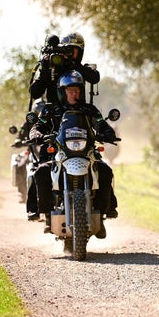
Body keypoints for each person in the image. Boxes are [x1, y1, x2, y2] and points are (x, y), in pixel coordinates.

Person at [30, 71, 119, 236]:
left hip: (86, 152)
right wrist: (37, 135)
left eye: (77, 90)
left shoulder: (89, 109)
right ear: (62, 91)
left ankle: (101, 215)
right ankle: (48, 216)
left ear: (81, 91)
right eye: (70, 90)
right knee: (42, 171)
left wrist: (108, 133)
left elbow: (101, 124)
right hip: (59, 152)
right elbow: (37, 126)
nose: (73, 93)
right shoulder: (51, 109)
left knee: (105, 171)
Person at [30, 32, 100, 103]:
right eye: (67, 49)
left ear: (80, 52)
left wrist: (74, 65)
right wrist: (44, 70)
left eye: (72, 50)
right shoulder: (52, 68)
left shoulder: (80, 69)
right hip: (54, 111)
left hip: (78, 111)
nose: (69, 53)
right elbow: (35, 94)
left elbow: (95, 78)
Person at [13, 98, 46, 221]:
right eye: (37, 111)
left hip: (44, 149)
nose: (39, 113)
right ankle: (22, 192)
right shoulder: (27, 123)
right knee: (21, 164)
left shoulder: (49, 119)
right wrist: (18, 140)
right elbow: (20, 134)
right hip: (31, 149)